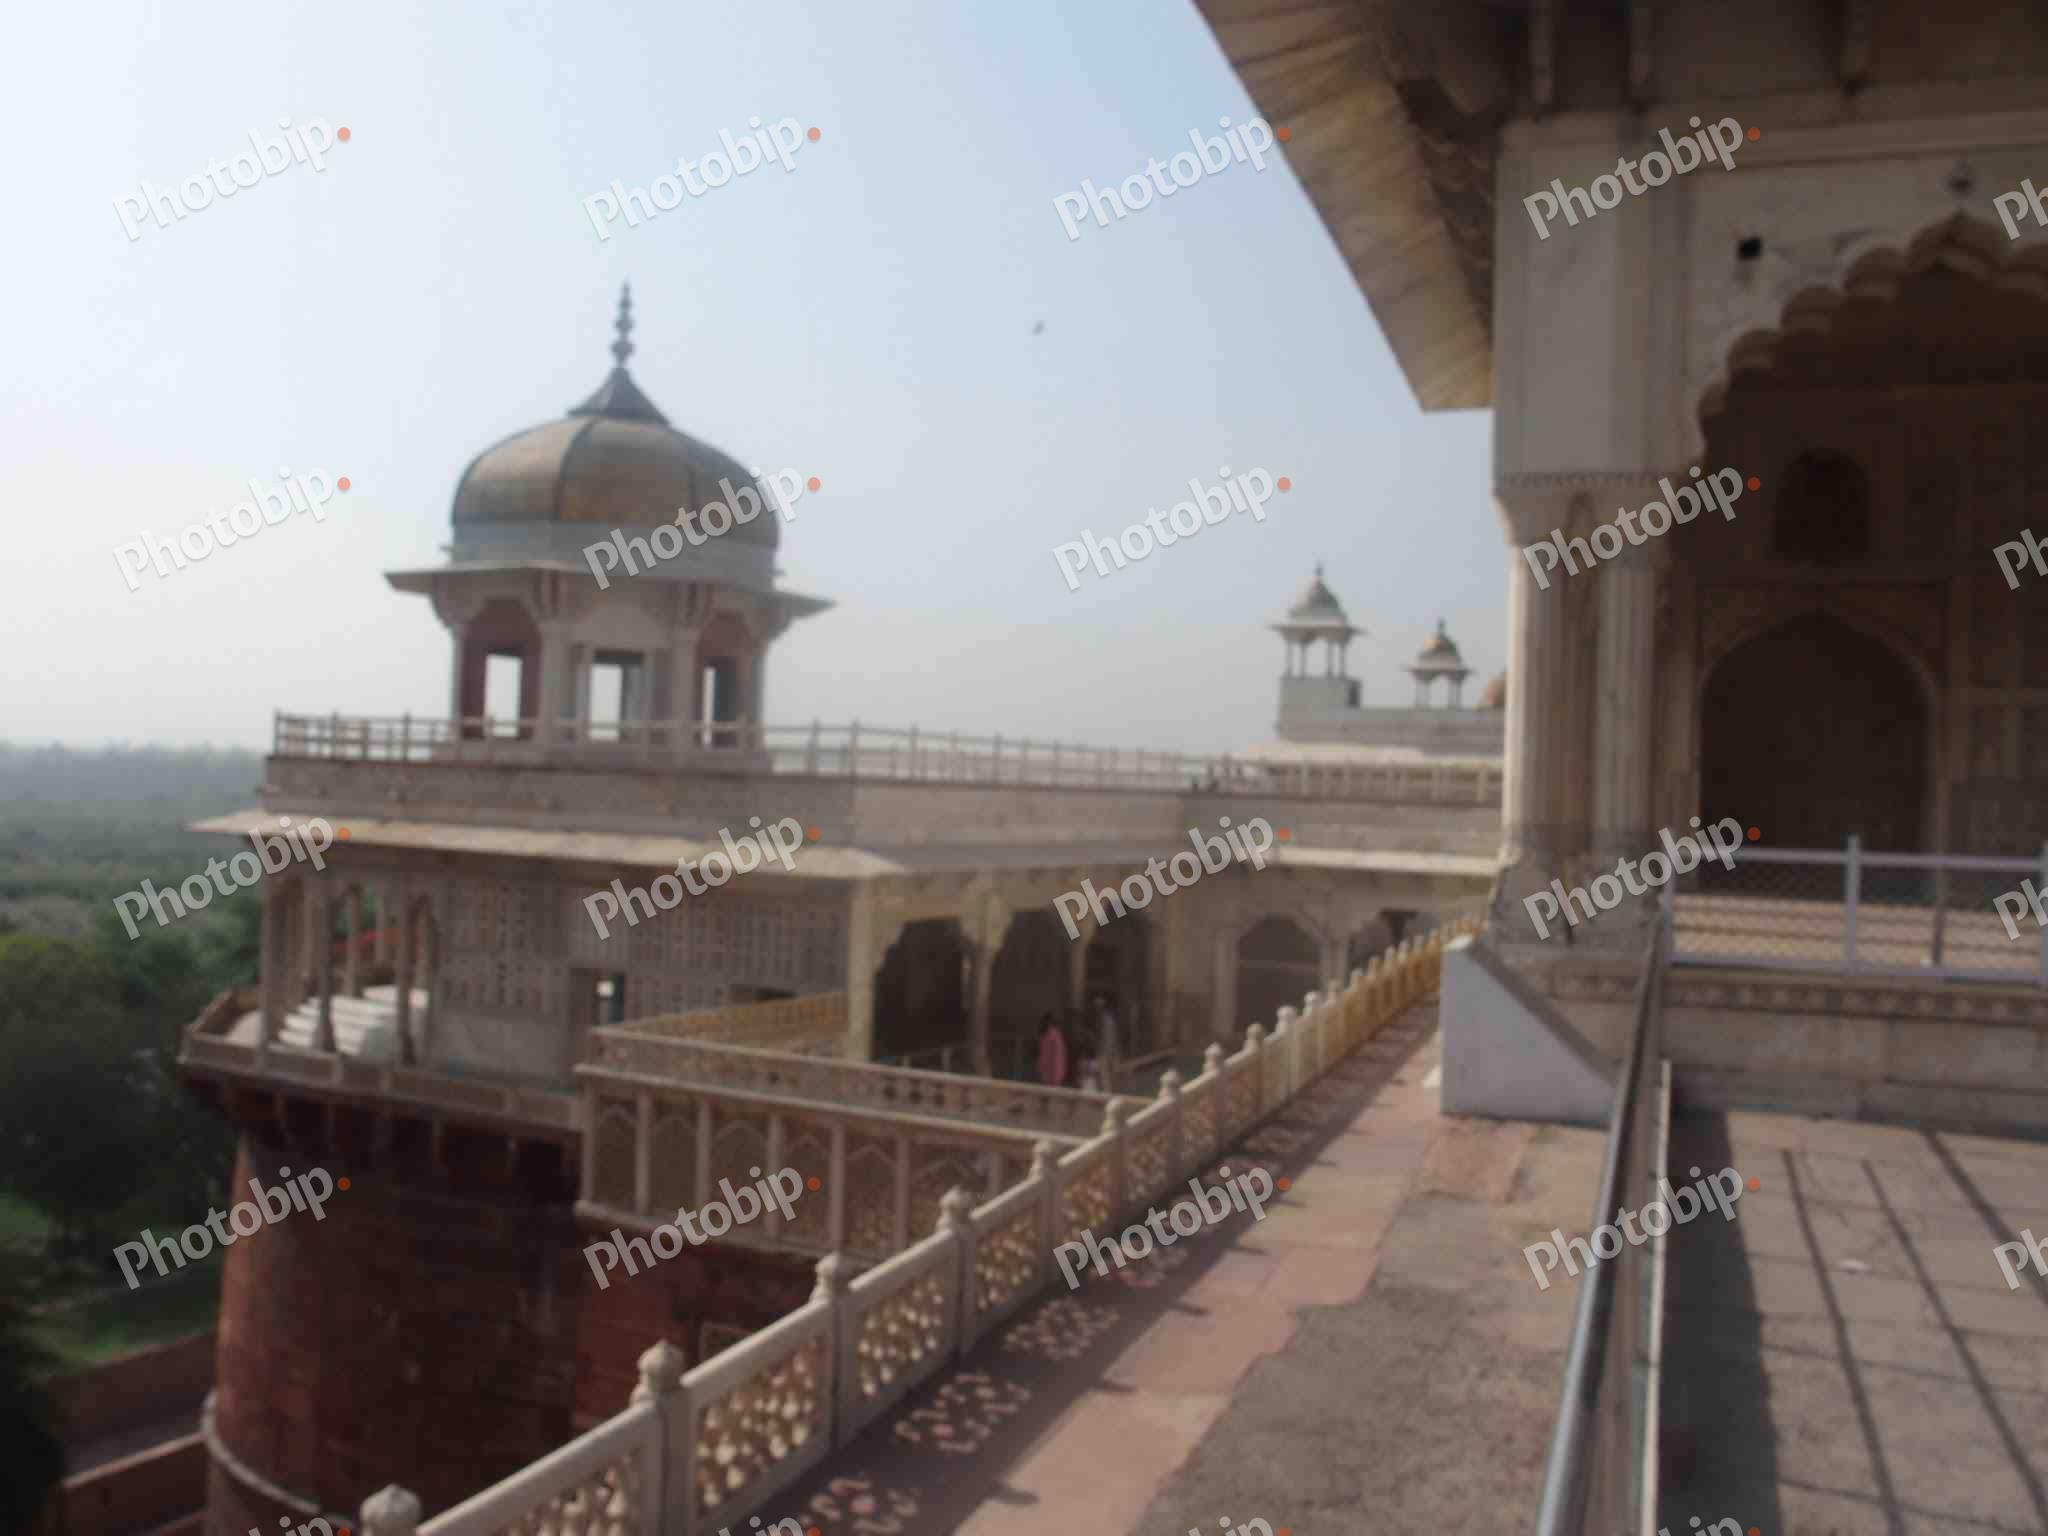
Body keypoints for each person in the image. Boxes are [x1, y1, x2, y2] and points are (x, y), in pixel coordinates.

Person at [1035, 1011, 1069, 1089]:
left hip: (1052, 1074)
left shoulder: (1055, 1036)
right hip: (1045, 1072)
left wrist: (1055, 1076)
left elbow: (1057, 1057)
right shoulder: (1047, 1035)